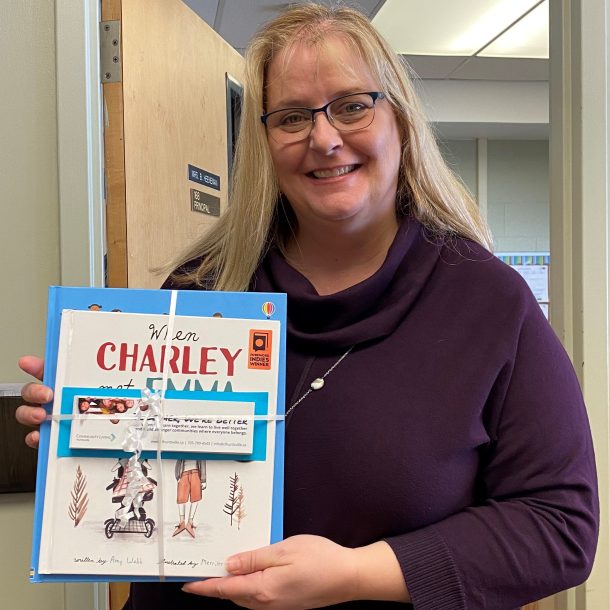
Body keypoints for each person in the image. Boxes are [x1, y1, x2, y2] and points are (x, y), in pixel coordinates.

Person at [17, 3, 598, 609]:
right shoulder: (205, 290)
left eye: (351, 105)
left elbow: (559, 528)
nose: (324, 139)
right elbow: (160, 463)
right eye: (292, 117)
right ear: (264, 142)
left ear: (398, 119)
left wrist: (355, 573)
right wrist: (84, 423)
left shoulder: (487, 303)